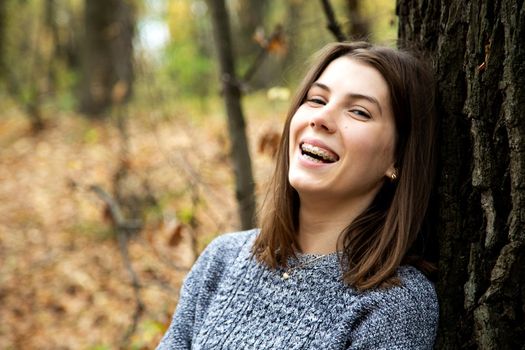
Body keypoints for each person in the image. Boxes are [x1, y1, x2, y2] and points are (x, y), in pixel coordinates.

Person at [157, 41, 439, 349]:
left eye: (359, 111)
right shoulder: (222, 259)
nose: (321, 118)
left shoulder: (395, 305)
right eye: (317, 99)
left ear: (397, 157)